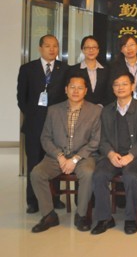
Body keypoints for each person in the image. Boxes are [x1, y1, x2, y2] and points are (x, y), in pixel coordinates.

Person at [30, 74, 101, 233]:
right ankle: (49, 215)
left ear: (86, 91)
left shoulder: (95, 111)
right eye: (72, 87)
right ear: (66, 89)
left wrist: (75, 159)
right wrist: (59, 156)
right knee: (37, 173)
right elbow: (45, 138)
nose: (76, 91)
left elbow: (96, 141)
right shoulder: (53, 110)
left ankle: (81, 215)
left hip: (83, 157)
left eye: (80, 88)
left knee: (88, 173)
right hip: (57, 156)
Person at [91, 72, 137, 235]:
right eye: (116, 84)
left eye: (124, 84)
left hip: (136, 156)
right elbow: (101, 139)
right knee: (99, 175)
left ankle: (131, 219)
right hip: (112, 156)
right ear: (112, 88)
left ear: (132, 86)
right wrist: (110, 154)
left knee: (131, 176)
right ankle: (104, 218)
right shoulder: (106, 110)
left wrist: (131, 155)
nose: (120, 87)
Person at [17, 34, 68, 214]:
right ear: (40, 48)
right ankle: (33, 200)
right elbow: (21, 98)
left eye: (55, 46)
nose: (52, 49)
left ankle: (54, 198)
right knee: (34, 162)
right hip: (34, 125)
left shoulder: (64, 69)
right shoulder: (27, 69)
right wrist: (35, 116)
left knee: (55, 161)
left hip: (57, 126)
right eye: (48, 46)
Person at [69, 35, 110, 106]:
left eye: (94, 47)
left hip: (102, 109)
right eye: (87, 47)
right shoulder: (73, 70)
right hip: (80, 109)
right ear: (82, 50)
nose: (91, 50)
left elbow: (110, 92)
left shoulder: (107, 70)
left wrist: (100, 106)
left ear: (98, 50)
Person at [109, 35, 137, 100]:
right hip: (122, 102)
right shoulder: (114, 67)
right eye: (125, 46)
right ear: (121, 50)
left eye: (132, 45)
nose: (129, 49)